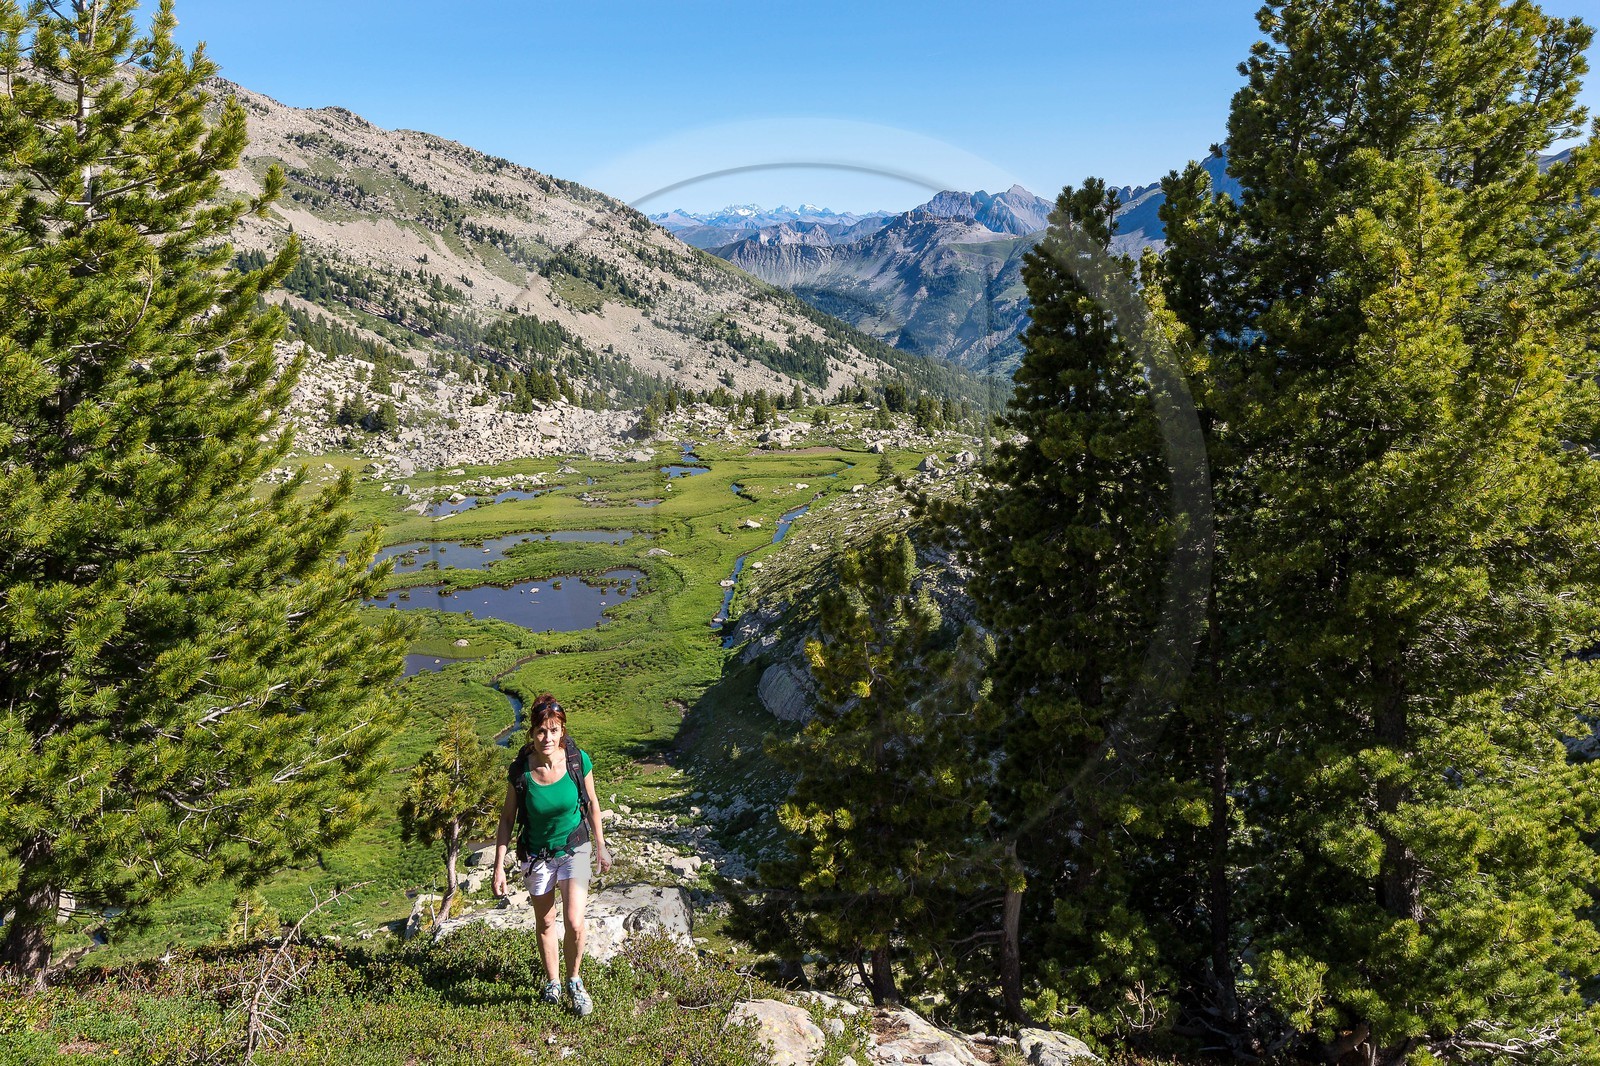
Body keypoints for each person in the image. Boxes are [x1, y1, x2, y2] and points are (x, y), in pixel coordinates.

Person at [493, 693, 612, 1016]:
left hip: (574, 847)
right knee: (545, 921)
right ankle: (553, 982)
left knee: (574, 921)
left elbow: (592, 803)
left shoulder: (577, 760)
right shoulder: (521, 772)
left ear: (562, 731)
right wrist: (499, 866)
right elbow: (507, 819)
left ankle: (574, 980)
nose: (547, 737)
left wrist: (601, 845)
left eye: (554, 730)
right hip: (536, 855)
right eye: (541, 731)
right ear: (532, 733)